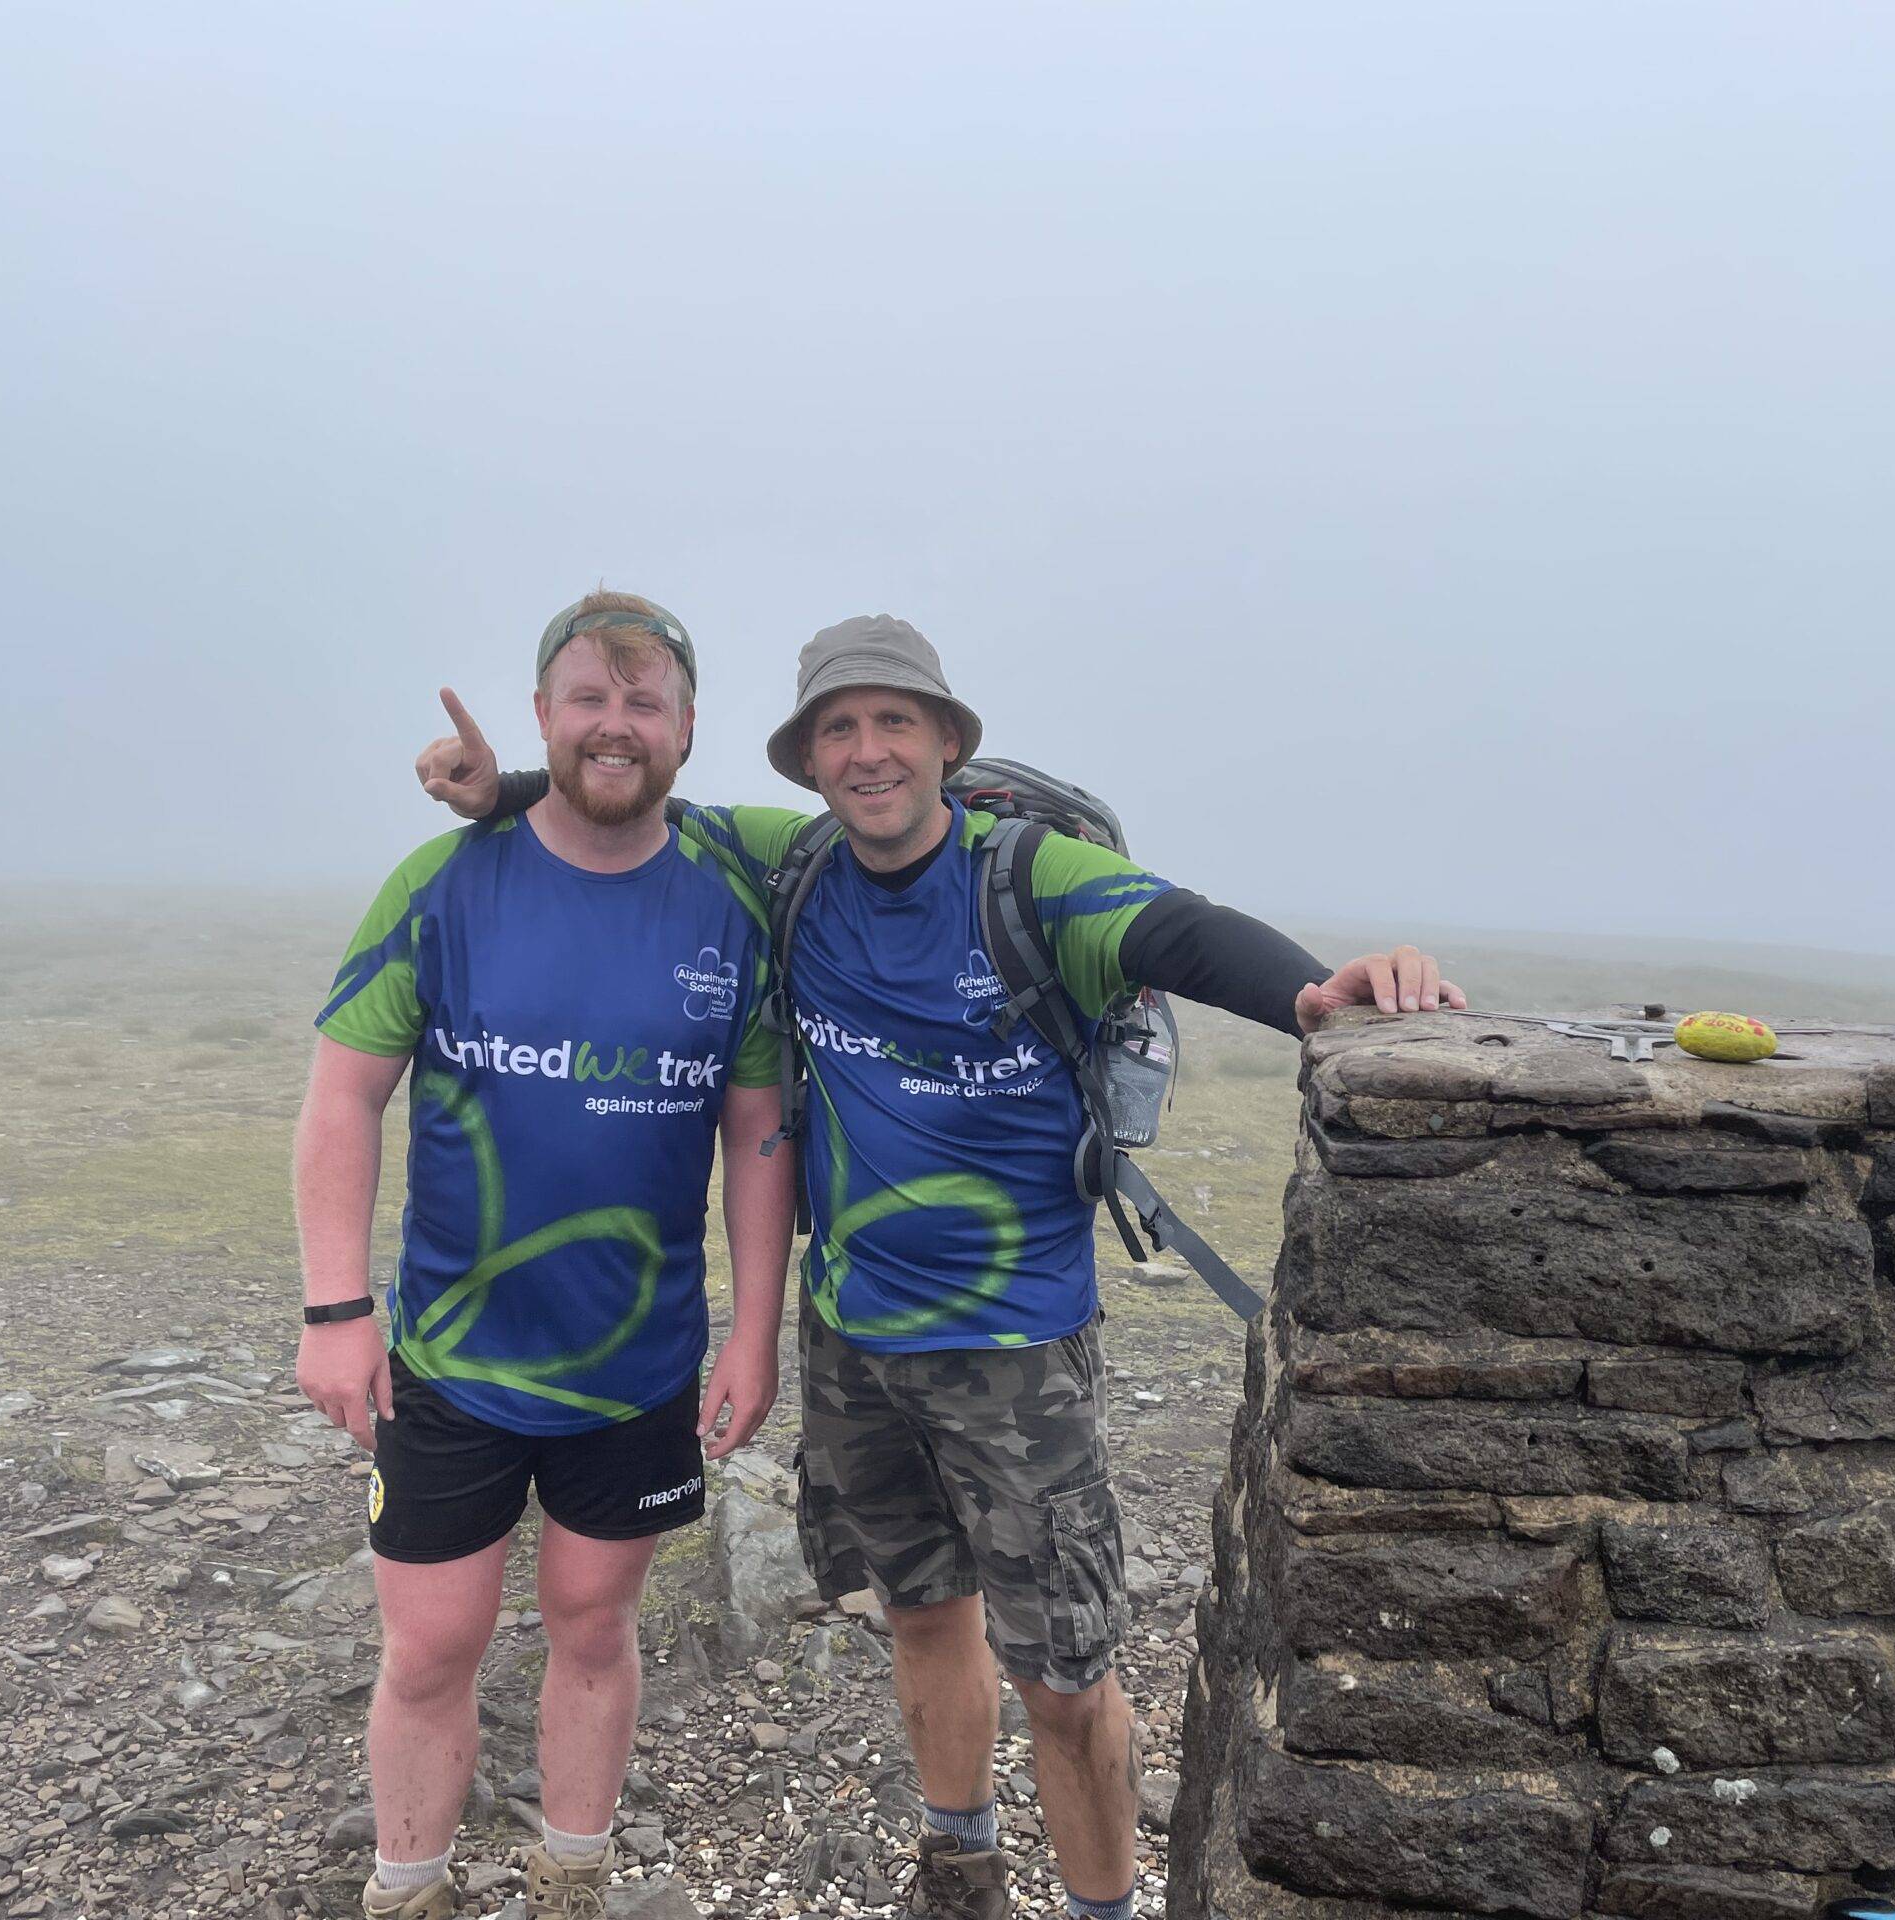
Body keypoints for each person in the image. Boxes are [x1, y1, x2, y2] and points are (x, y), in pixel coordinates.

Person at [416, 614, 1462, 1920]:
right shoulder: (793, 860)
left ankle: (1100, 1909)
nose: (867, 752)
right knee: (919, 1616)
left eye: (894, 722)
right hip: (853, 1339)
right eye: (839, 730)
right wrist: (502, 789)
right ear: (810, 760)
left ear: (947, 743)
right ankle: (958, 1872)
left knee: (1065, 1680)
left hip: (1015, 1351)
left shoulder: (1030, 879)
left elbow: (1183, 934)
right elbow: (634, 798)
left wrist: (1315, 991)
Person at [298, 592, 794, 1920]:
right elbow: (343, 1094)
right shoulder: (445, 883)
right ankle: (407, 1888)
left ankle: (572, 1874)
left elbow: (758, 1134)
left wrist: (754, 1333)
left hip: (637, 1363)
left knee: (593, 1626)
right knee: (429, 1648)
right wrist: (335, 1309)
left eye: (643, 702)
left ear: (688, 727)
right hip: (452, 1356)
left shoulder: (729, 906)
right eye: (589, 698)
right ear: (540, 715)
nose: (614, 725)